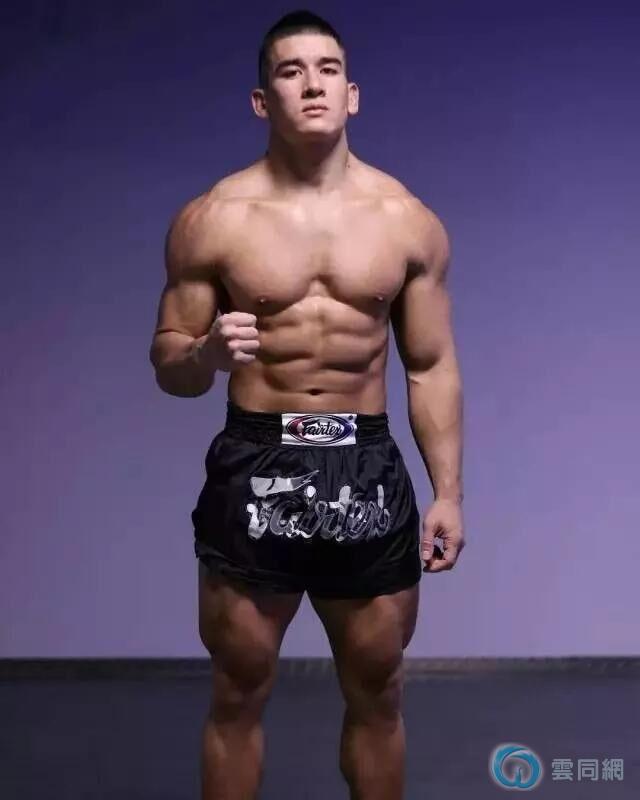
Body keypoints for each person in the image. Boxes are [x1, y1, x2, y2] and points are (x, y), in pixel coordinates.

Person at [149, 9, 465, 800]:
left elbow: (430, 366)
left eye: (328, 70)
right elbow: (169, 367)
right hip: (260, 460)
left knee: (378, 690)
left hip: (365, 464)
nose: (312, 84)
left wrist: (449, 494)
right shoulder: (212, 220)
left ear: (352, 94)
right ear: (264, 100)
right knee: (238, 690)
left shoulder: (407, 221)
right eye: (291, 71)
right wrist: (205, 355)